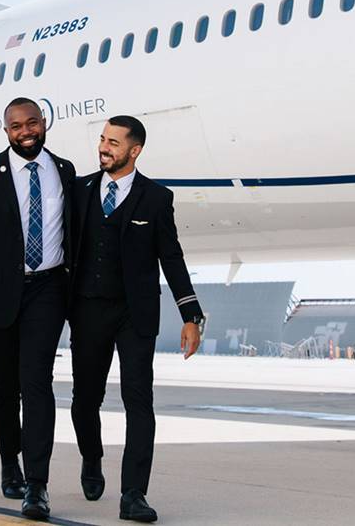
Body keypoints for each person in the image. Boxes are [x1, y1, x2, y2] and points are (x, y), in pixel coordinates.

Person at [69, 115, 204, 523]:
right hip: (89, 310)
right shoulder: (80, 191)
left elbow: (172, 257)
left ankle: (133, 494)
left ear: (135, 150)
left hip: (135, 314)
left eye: (113, 142)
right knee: (84, 402)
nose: (103, 147)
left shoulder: (156, 198)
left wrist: (190, 314)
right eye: (102, 139)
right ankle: (92, 459)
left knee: (139, 403)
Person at [0, 97, 76, 521]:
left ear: (44, 123)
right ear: (5, 129)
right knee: (4, 386)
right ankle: (10, 460)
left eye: (32, 123)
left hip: (48, 289)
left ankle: (37, 484)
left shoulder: (64, 171)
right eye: (15, 126)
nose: (25, 131)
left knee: (38, 383)